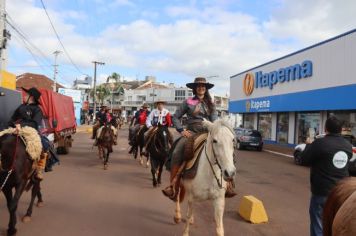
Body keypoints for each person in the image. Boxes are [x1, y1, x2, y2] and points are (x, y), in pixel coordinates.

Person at [162, 77, 237, 201]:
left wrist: (217, 130)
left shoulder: (211, 104)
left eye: (203, 86)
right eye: (199, 86)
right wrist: (181, 130)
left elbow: (214, 120)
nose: (201, 88)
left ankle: (229, 184)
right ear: (195, 88)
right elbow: (175, 117)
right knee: (177, 151)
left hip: (208, 133)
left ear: (206, 89)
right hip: (191, 133)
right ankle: (173, 185)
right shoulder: (188, 102)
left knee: (228, 150)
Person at [301, 116, 353, 236]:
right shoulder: (347, 146)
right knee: (338, 224)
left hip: (321, 192)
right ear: (341, 130)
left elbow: (304, 160)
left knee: (318, 224)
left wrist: (308, 145)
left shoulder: (319, 143)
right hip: (342, 193)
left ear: (326, 128)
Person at [8, 87, 49, 180]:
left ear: (31, 97)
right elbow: (12, 118)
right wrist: (11, 125)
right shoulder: (21, 107)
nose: (24, 96)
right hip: (17, 129)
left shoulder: (37, 110)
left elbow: (35, 123)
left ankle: (39, 169)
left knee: (44, 145)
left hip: (31, 130)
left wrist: (21, 125)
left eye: (26, 95)